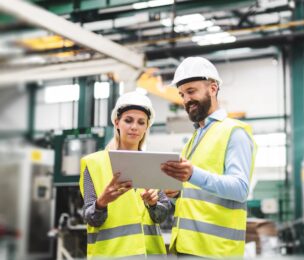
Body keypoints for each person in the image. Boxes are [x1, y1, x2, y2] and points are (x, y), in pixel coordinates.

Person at [161, 57, 257, 257]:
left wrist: (191, 175)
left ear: (212, 89)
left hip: (215, 251)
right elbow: (199, 191)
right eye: (182, 94)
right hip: (186, 247)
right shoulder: (193, 140)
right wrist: (178, 193)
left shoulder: (235, 132)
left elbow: (240, 189)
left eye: (191, 91)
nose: (186, 100)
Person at [79, 91, 171, 258]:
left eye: (141, 122)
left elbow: (162, 216)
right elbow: (91, 218)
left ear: (146, 127)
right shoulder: (93, 164)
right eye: (128, 120)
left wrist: (153, 205)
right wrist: (101, 203)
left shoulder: (154, 163)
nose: (134, 127)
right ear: (117, 122)